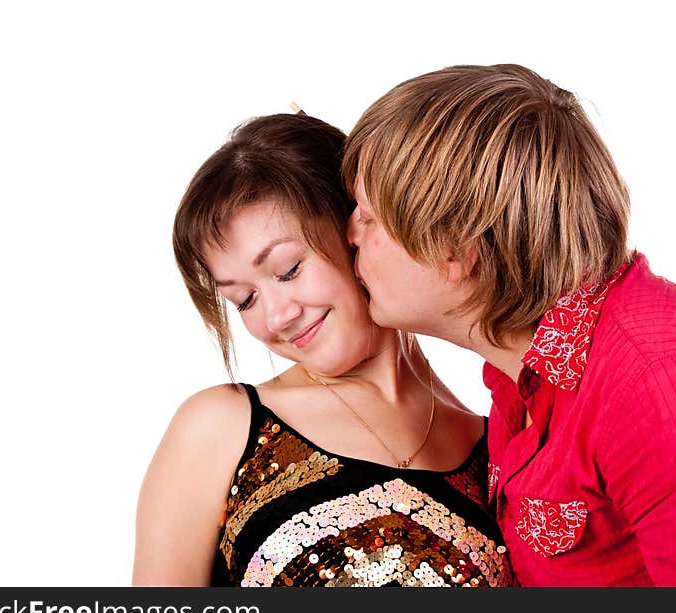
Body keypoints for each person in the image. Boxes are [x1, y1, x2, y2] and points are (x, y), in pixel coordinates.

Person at [342, 64, 676, 586]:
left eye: (368, 216)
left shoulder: (664, 393)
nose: (349, 233)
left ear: (454, 250)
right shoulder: (524, 366)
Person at [131, 112, 513, 587]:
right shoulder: (223, 428)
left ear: (358, 228)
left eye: (288, 269)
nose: (276, 317)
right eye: (243, 299)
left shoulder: (501, 447)